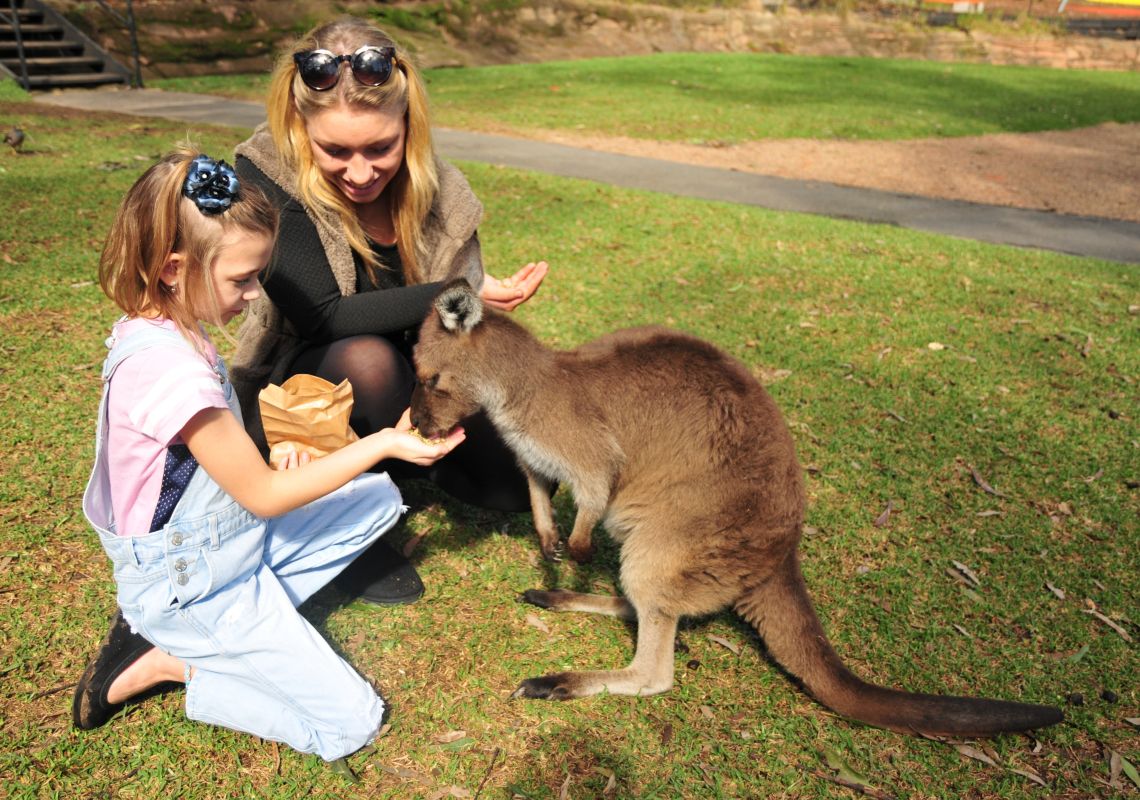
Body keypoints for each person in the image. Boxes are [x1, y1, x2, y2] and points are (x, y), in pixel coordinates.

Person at [71, 146, 465, 763]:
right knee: (352, 723)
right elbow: (262, 496)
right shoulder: (168, 374)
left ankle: (250, 629)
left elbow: (213, 473)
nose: (256, 295)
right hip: (189, 583)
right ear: (174, 269)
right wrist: (384, 442)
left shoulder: (168, 326)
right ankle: (173, 662)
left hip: (224, 545)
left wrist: (276, 466)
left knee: (378, 498)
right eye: (242, 278)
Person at [230, 15, 548, 606]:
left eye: (380, 148)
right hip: (308, 382)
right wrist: (453, 293)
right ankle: (343, 518)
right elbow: (324, 316)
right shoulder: (265, 175)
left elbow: (463, 322)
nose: (359, 172)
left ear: (409, 126)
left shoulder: (439, 190)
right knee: (367, 360)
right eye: (335, 150)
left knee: (510, 486)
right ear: (301, 130)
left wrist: (473, 309)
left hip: (418, 374)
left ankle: (405, 463)